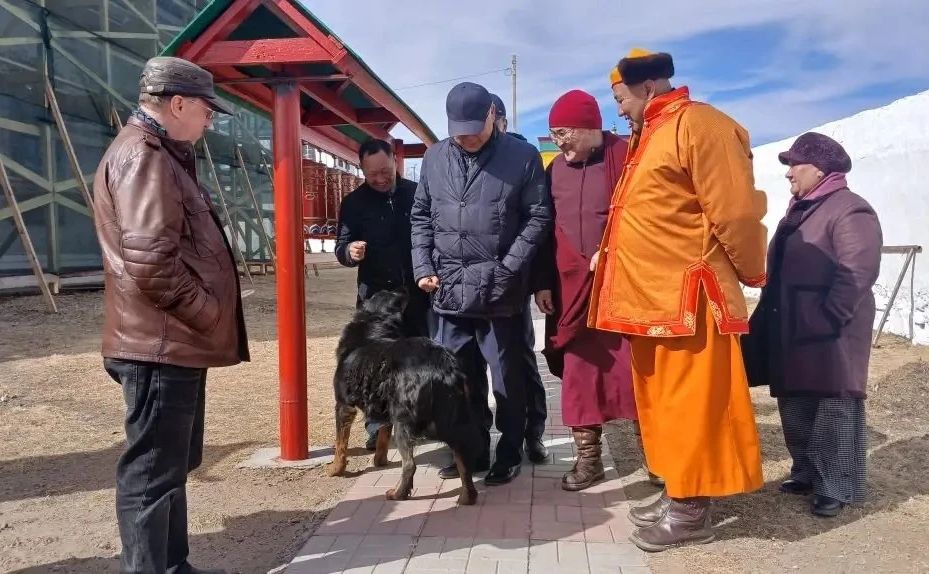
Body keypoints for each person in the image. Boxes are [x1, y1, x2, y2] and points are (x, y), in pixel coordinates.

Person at [588, 48, 767, 551]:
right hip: (650, 298)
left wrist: (753, 271)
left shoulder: (703, 126)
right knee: (663, 405)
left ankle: (691, 511)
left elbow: (734, 211)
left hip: (689, 298)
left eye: (621, 98)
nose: (618, 110)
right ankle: (677, 490)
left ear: (646, 88)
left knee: (691, 407)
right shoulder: (651, 133)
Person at [92, 56, 247, 574]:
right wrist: (207, 313)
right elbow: (151, 262)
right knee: (153, 473)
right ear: (177, 104)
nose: (209, 121)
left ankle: (173, 566)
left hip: (167, 341)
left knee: (172, 468)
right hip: (158, 344)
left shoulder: (161, 154)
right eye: (206, 110)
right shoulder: (145, 157)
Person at [411, 81, 552, 485]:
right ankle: (472, 452)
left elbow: (538, 217)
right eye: (459, 130)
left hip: (499, 290)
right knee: (460, 378)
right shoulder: (435, 156)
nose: (467, 137)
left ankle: (510, 452)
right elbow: (421, 215)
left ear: (493, 115)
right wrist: (423, 265)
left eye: (474, 127)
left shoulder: (522, 156)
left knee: (507, 378)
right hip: (449, 289)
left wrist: (509, 268)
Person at [742, 132, 882, 518]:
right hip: (793, 325)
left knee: (833, 407)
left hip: (832, 332)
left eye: (794, 165)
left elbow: (857, 270)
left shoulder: (850, 208)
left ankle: (834, 485)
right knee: (796, 403)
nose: (788, 173)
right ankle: (805, 470)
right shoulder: (800, 209)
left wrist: (827, 318)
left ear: (819, 169)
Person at [530, 89, 640, 491]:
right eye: (553, 134)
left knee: (637, 374)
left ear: (588, 127)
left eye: (563, 132)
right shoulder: (554, 169)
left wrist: (614, 251)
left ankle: (658, 457)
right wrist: (541, 281)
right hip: (570, 290)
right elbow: (545, 230)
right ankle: (588, 460)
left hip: (623, 289)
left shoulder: (627, 156)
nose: (558, 142)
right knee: (578, 376)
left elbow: (646, 215)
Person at [335, 138, 434, 451]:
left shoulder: (418, 193)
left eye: (385, 171)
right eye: (372, 173)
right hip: (376, 303)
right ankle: (377, 428)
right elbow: (341, 246)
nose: (380, 178)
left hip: (417, 296)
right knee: (374, 366)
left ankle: (417, 422)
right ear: (362, 169)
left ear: (395, 161)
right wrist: (350, 251)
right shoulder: (353, 203)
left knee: (418, 360)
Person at [487, 92, 549, 465]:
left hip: (514, 281)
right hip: (475, 282)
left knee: (522, 360)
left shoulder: (525, 159)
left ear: (503, 122)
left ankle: (534, 433)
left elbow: (540, 225)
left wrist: (536, 279)